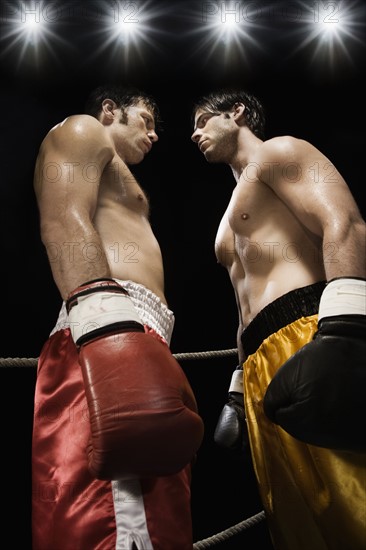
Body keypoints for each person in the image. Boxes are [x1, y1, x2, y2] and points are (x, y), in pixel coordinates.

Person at [191, 88, 366, 550]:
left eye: (204, 120)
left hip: (314, 335)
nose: (195, 132)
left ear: (238, 113)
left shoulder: (279, 152)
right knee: (295, 520)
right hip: (258, 368)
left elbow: (344, 223)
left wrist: (349, 331)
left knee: (350, 498)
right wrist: (236, 386)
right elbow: (242, 303)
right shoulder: (226, 220)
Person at [32, 83, 204, 550]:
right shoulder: (83, 130)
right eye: (145, 121)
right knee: (110, 522)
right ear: (110, 111)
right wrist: (104, 324)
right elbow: (63, 218)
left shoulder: (121, 174)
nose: (153, 135)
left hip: (137, 334)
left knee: (159, 520)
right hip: (103, 331)